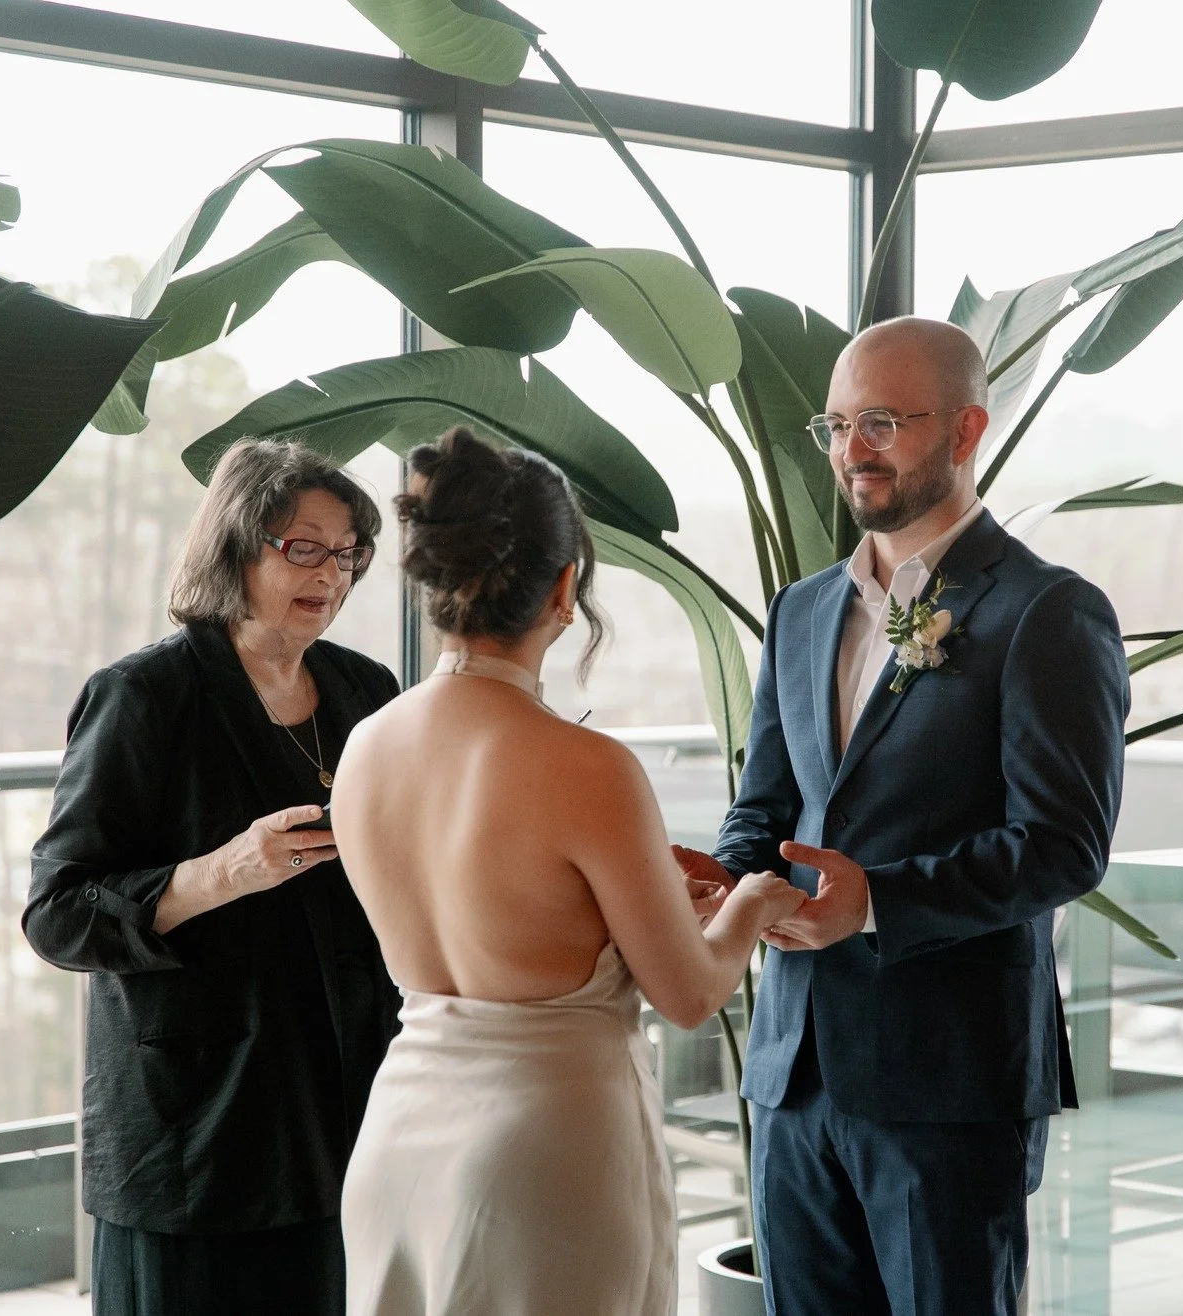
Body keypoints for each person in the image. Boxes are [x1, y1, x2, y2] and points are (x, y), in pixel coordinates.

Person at [677, 317, 1131, 1316]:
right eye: (835, 423)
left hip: (948, 1082)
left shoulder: (1046, 612)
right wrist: (722, 881)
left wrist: (873, 899)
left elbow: (1063, 845)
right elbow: (766, 803)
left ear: (965, 430)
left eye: (880, 420)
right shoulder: (799, 610)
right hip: (791, 1075)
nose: (851, 448)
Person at [331, 426, 804, 1316]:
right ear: (562, 589)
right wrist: (748, 902)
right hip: (543, 1159)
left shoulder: (366, 746)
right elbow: (691, 993)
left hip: (399, 1143)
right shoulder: (588, 767)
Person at [23, 439, 402, 1316]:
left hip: (348, 1105)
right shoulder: (144, 695)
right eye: (303, 546)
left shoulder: (367, 691)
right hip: (200, 1127)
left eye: (348, 552)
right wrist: (220, 873)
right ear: (236, 546)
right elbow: (56, 912)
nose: (331, 572)